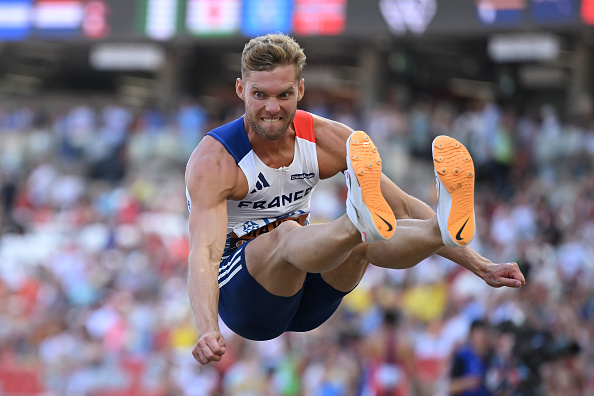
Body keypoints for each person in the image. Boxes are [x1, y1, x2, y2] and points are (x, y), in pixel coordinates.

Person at [184, 33, 525, 365]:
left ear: (300, 90)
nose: (272, 108)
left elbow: (402, 207)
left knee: (362, 242)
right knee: (287, 232)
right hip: (247, 304)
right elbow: (204, 253)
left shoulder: (328, 139)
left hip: (312, 294)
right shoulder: (215, 161)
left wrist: (481, 266)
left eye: (284, 95)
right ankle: (355, 221)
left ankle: (434, 229)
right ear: (241, 90)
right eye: (260, 95)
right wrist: (206, 328)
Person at [448, 320, 494, 396]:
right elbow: (451, 386)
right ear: (472, 336)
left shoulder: (492, 357)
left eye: (484, 335)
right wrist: (469, 382)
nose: (482, 339)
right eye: (479, 335)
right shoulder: (462, 356)